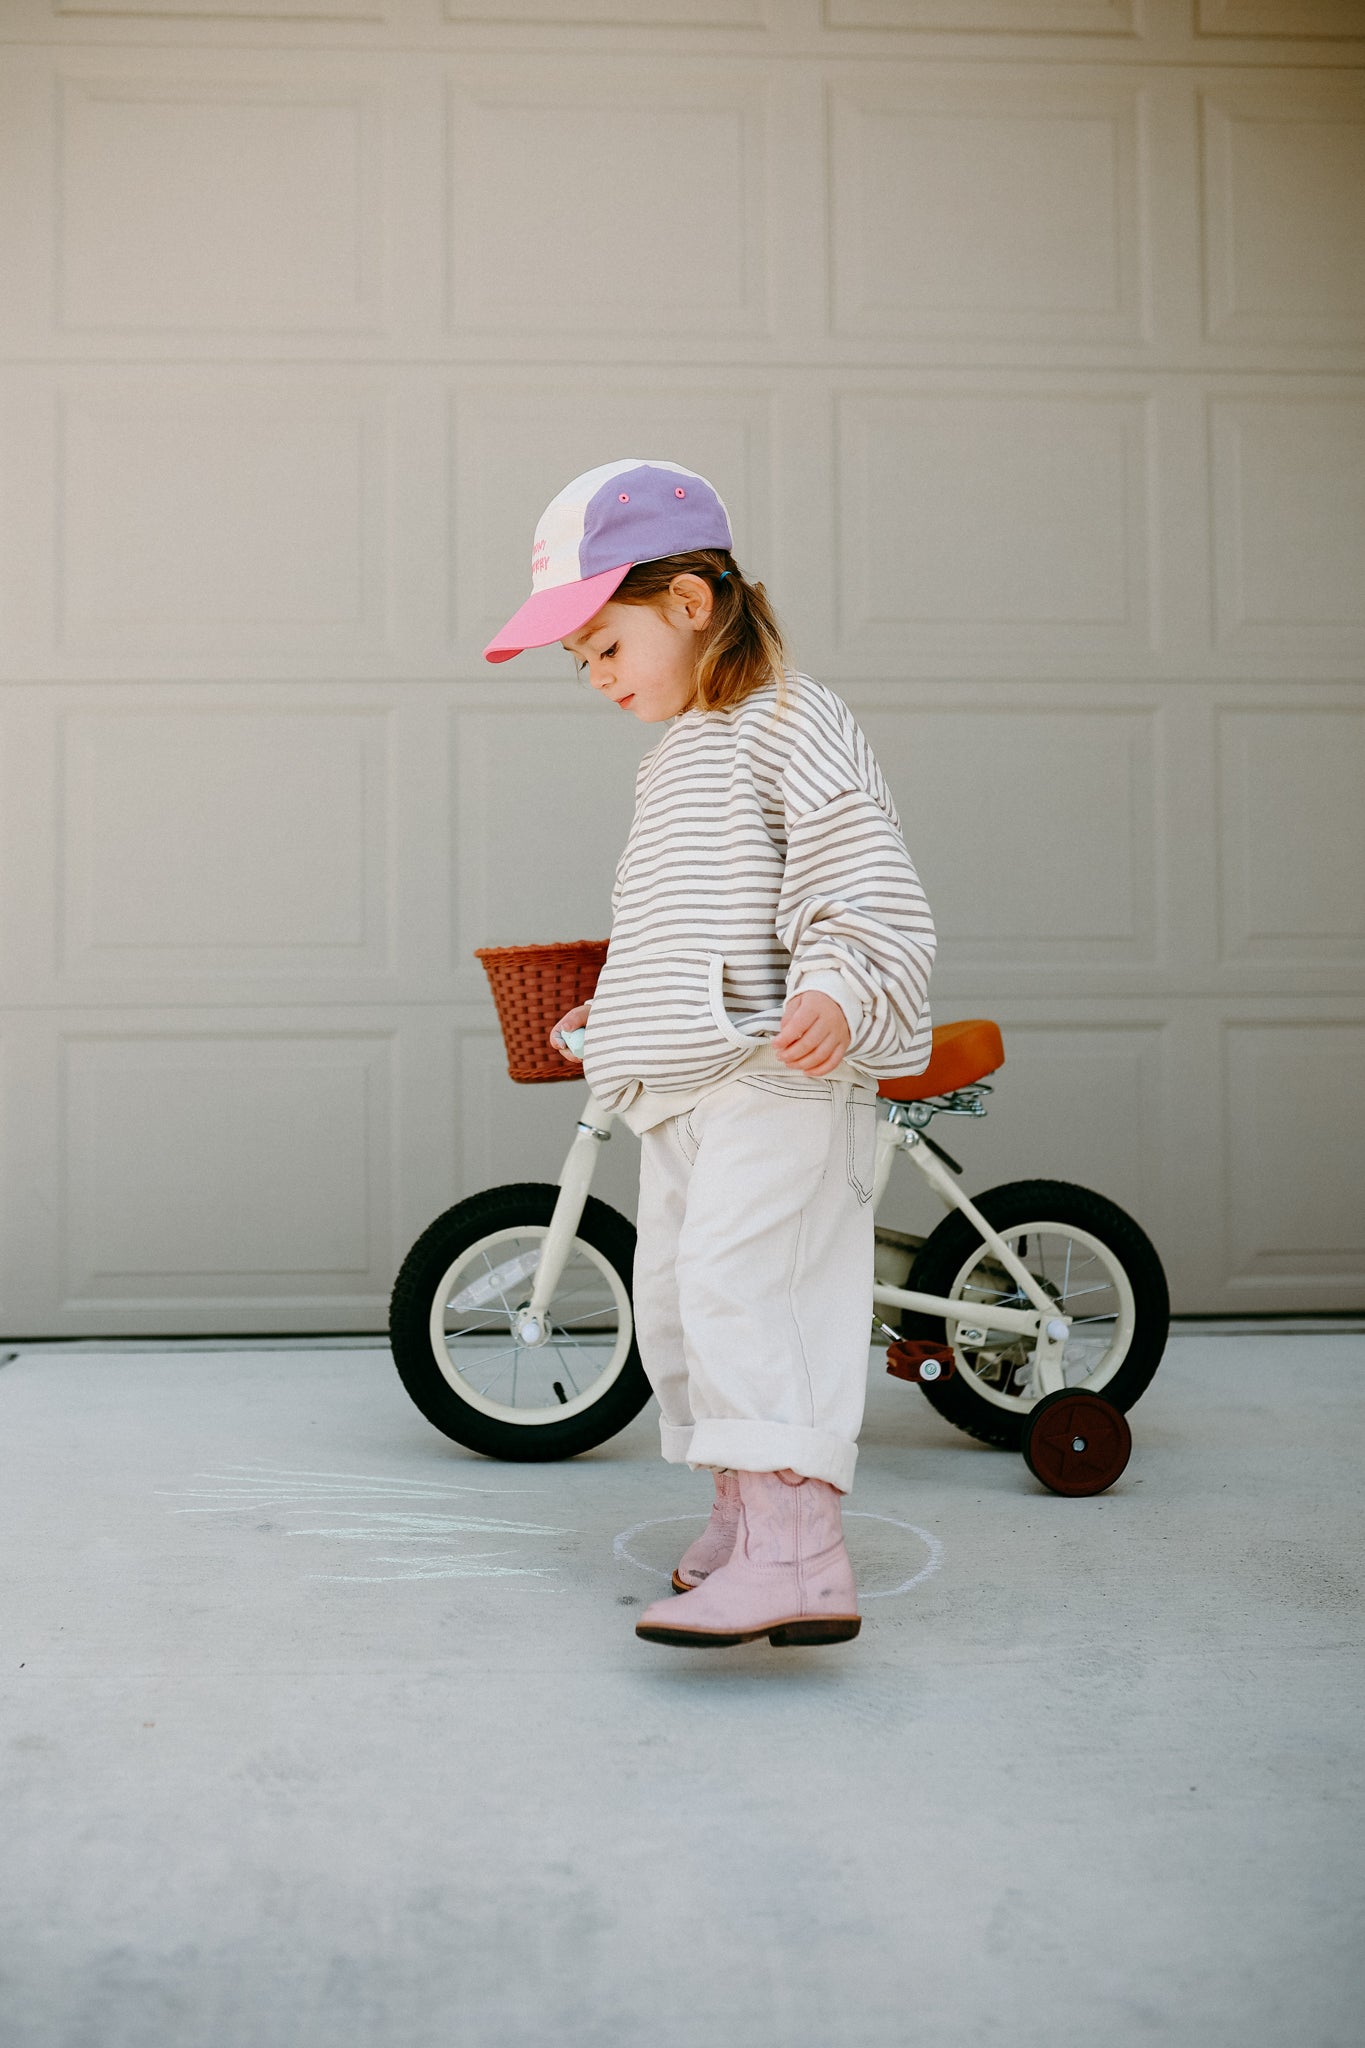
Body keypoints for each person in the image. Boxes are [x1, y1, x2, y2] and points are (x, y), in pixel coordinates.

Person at [483, 459, 935, 1650]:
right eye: (580, 662)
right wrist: (616, 1014)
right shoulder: (683, 751)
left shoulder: (795, 720)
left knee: (756, 1288)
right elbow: (680, 927)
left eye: (603, 646)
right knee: (684, 1295)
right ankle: (746, 1518)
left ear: (689, 602)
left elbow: (859, 873)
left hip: (779, 1075)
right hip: (690, 1084)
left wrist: (839, 982)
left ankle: (801, 1552)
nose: (594, 679)